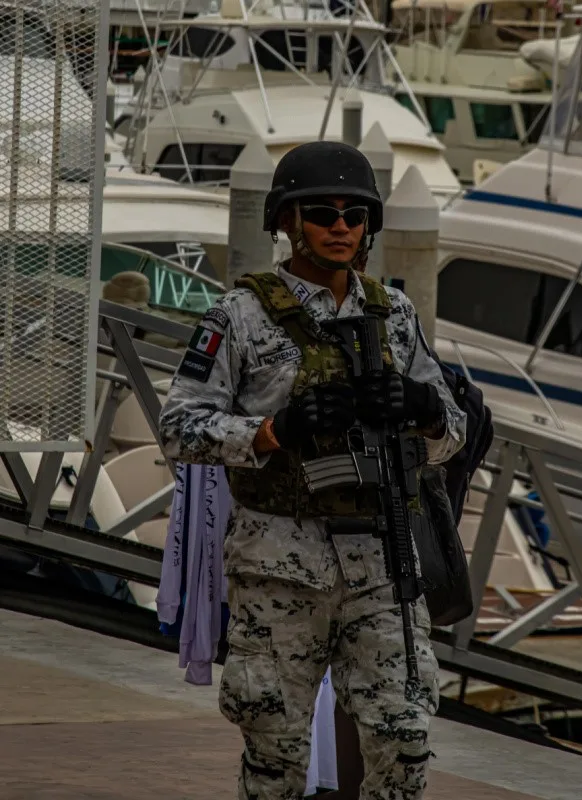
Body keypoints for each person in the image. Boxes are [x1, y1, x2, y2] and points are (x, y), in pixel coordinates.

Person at [158, 140, 467, 800]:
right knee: (276, 752)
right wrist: (275, 430)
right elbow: (180, 429)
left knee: (404, 740)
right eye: (322, 213)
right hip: (280, 565)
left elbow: (452, 439)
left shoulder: (394, 315)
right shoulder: (238, 316)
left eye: (354, 215)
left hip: (381, 564)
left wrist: (425, 411)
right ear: (286, 221)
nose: (340, 227)